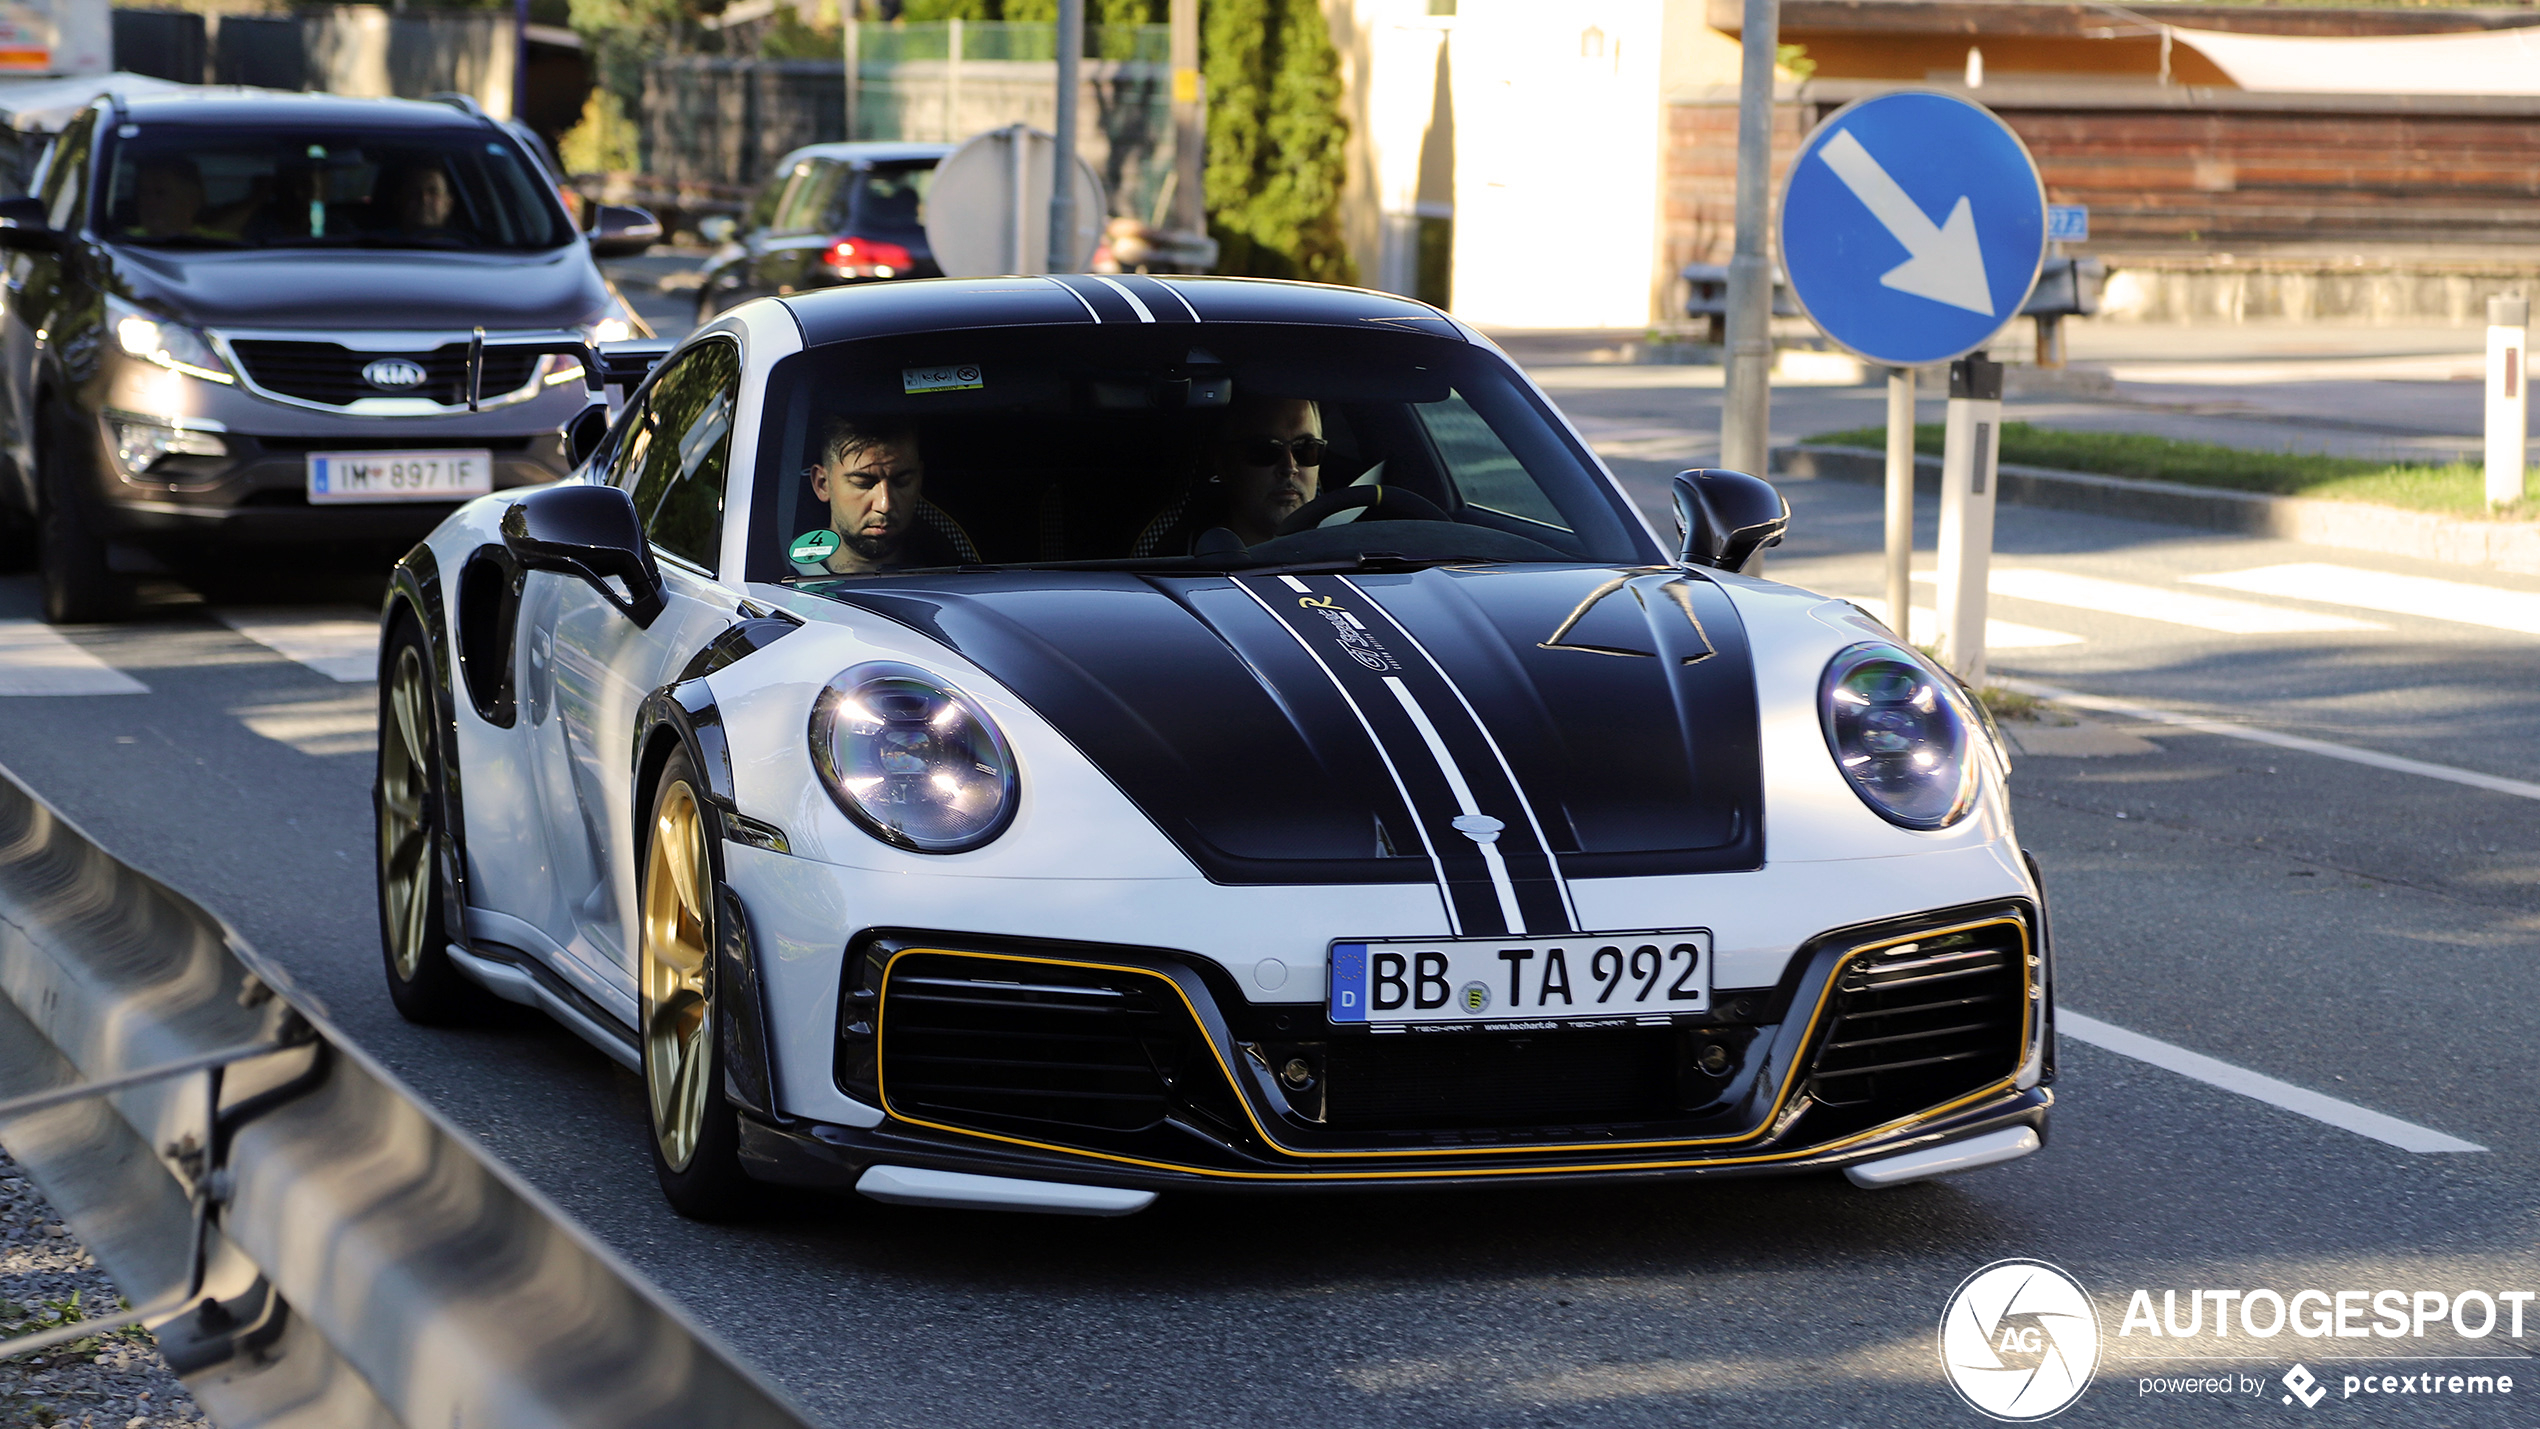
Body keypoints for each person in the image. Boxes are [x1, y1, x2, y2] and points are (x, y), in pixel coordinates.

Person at [789, 416, 970, 574]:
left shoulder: (956, 576)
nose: (885, 504)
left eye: (902, 481)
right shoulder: (776, 583)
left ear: (919, 479)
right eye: (863, 483)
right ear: (822, 484)